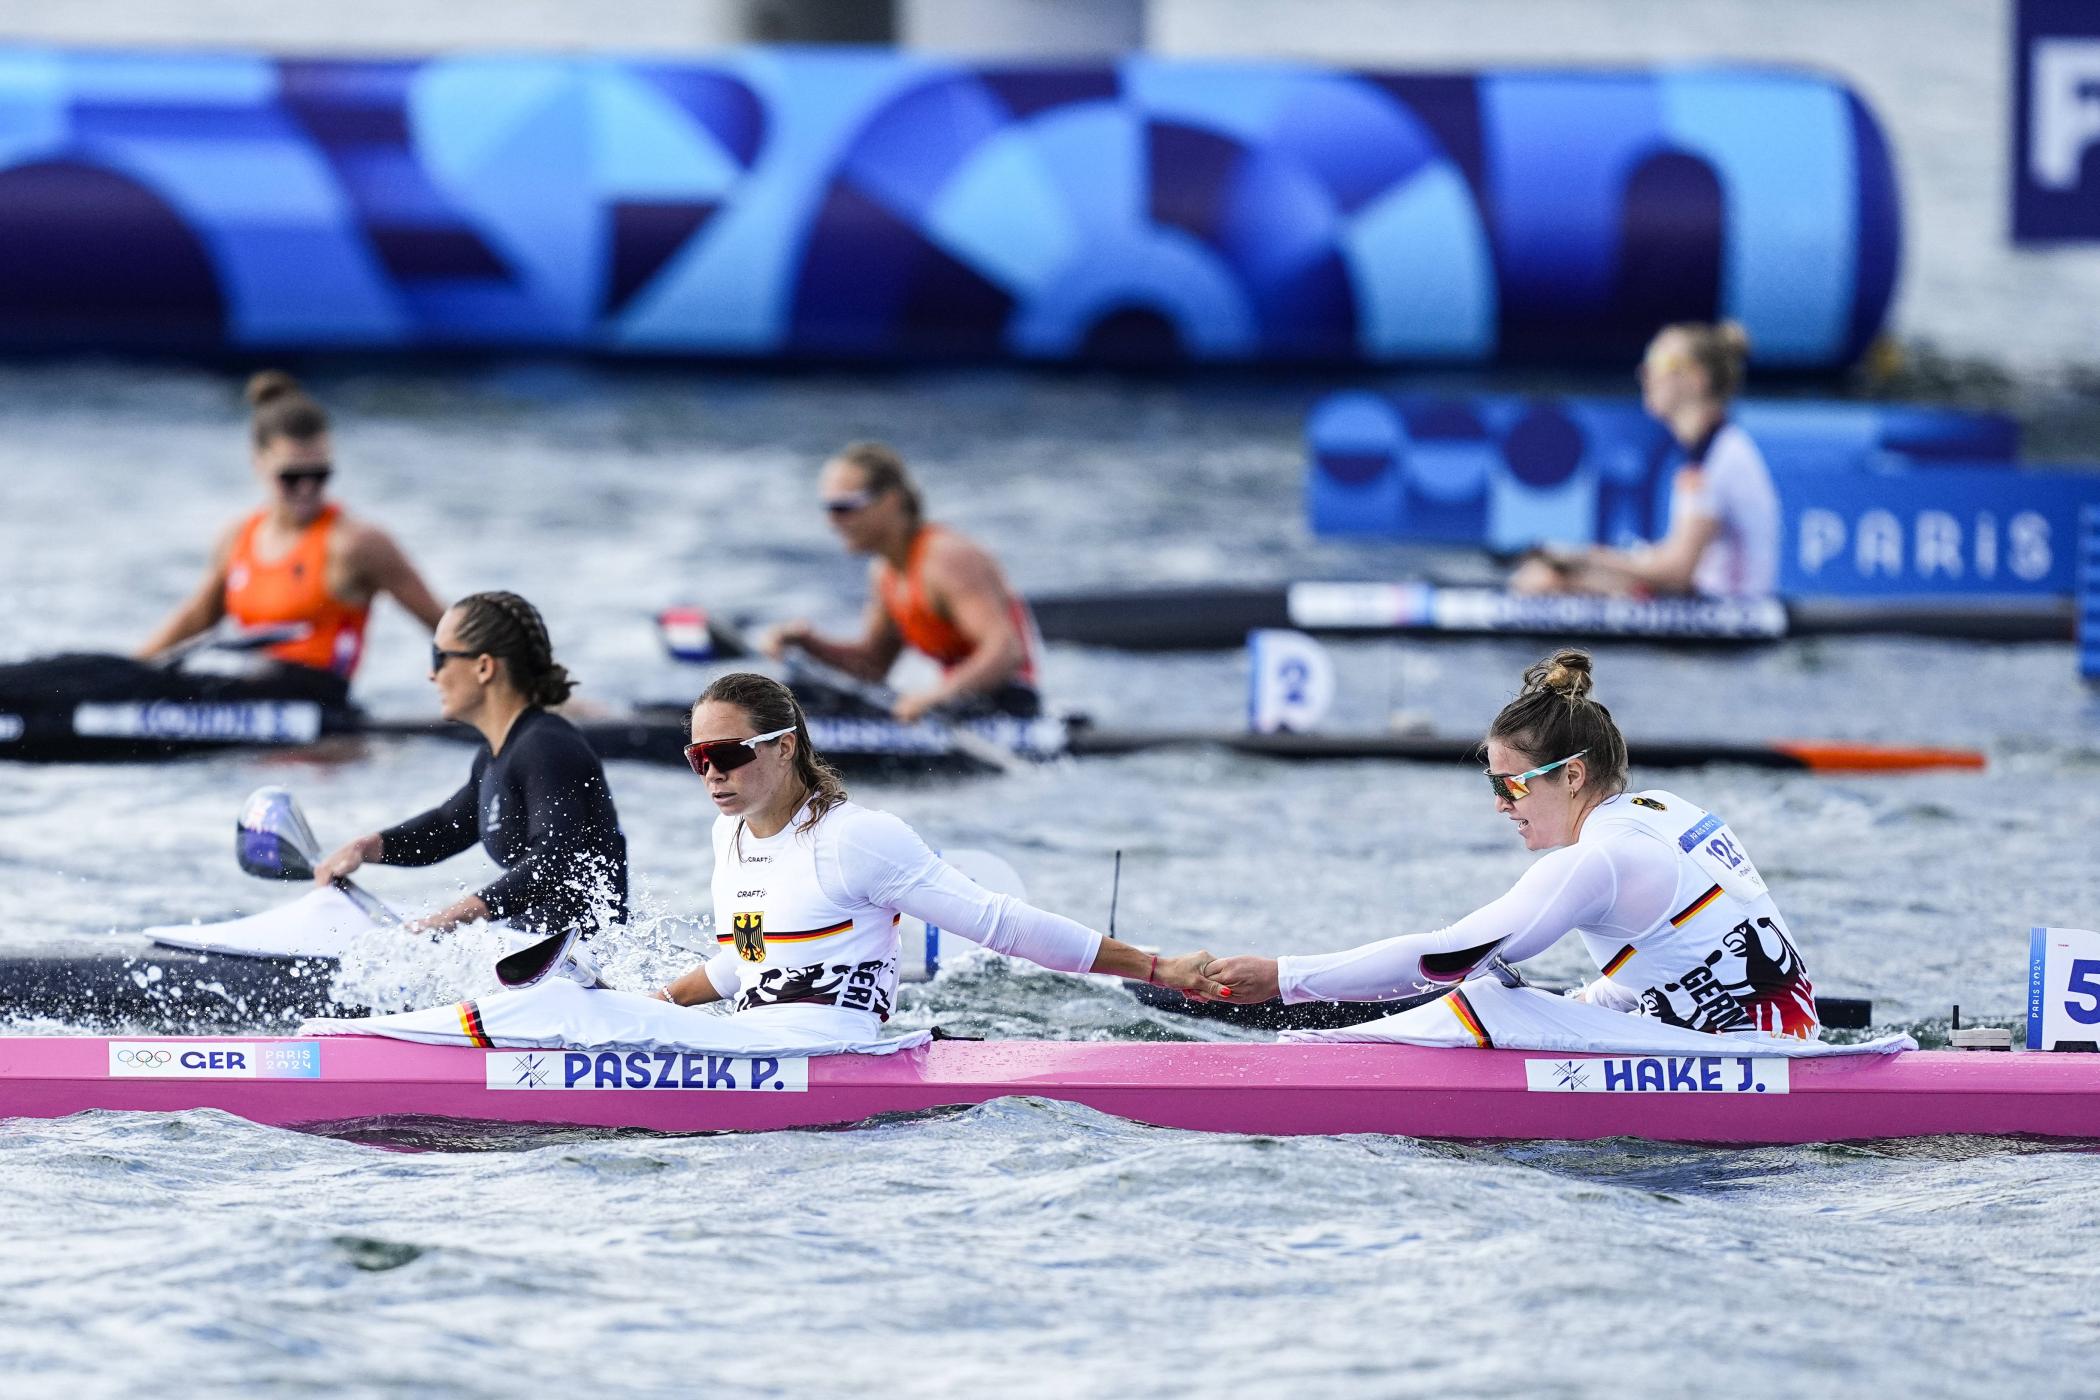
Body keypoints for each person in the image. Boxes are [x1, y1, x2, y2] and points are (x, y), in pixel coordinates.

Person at [1205, 650, 1819, 1039]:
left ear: (1572, 775)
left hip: (1740, 1067)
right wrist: (1574, 1006)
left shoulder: (1598, 862)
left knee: (1482, 991)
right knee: (1516, 995)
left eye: (1511, 784)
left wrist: (1284, 977)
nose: (1500, 803)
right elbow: (1678, 962)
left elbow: (1444, 958)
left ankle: (1318, 1054)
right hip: (1779, 1046)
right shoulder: (1669, 812)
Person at [652, 672, 1224, 1029]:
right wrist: (660, 1003)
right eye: (698, 758)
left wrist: (1157, 968)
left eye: (725, 754)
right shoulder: (728, 836)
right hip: (753, 1044)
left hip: (830, 1048)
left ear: (784, 748)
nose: (711, 774)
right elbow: (752, 962)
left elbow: (1001, 925)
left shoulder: (857, 838)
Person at [312, 592, 627, 936]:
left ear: (484, 667)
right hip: (528, 947)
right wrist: (363, 848)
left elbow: (556, 858)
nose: (431, 674)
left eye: (440, 657)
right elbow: (445, 829)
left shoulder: (547, 746)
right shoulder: (495, 756)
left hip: (580, 959)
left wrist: (456, 915)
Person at [136, 370, 444, 700]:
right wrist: (131, 670)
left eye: (320, 474)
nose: (308, 488)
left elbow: (441, 624)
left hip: (322, 716)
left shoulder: (357, 543)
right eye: (292, 476)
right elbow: (198, 617)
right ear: (259, 461)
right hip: (249, 700)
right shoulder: (237, 536)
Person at [764, 442, 1044, 722]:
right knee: (801, 694)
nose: (831, 521)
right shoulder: (885, 571)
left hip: (1011, 706)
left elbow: (1006, 651)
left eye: (844, 507)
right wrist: (808, 643)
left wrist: (938, 695)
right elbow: (872, 666)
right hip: (958, 705)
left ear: (891, 501)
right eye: (827, 508)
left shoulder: (945, 558)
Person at [1509, 321, 1779, 600]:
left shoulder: (1718, 457)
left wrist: (1581, 560)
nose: (1645, 373)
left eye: (1660, 361)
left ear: (1697, 378)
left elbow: (1677, 571)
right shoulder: (1711, 449)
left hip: (1730, 617)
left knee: (1546, 584)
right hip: (1709, 603)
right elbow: (1672, 564)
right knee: (1547, 579)